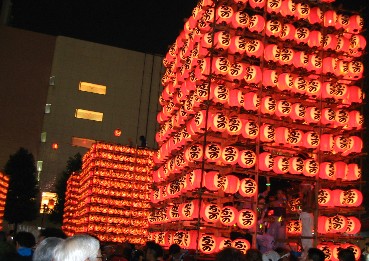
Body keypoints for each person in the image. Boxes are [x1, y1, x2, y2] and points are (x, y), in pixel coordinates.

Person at [299, 182, 316, 260]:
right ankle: (305, 253)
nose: (301, 189)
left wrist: (303, 210)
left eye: (303, 187)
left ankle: (307, 253)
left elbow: (309, 207)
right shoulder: (307, 195)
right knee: (305, 233)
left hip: (307, 215)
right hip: (305, 215)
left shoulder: (310, 194)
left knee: (307, 234)